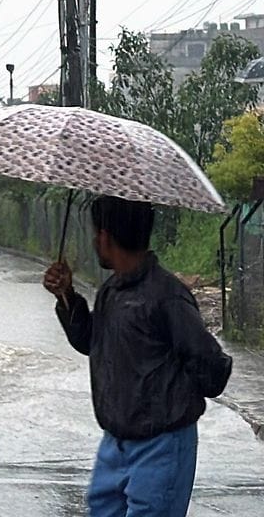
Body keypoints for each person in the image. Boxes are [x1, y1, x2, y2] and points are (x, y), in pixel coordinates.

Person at [43, 196, 232, 516]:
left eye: (94, 233)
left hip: (162, 447)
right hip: (115, 444)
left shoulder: (168, 296)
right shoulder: (111, 291)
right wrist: (67, 296)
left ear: (104, 237)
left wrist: (170, 396)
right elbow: (90, 341)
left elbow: (212, 368)